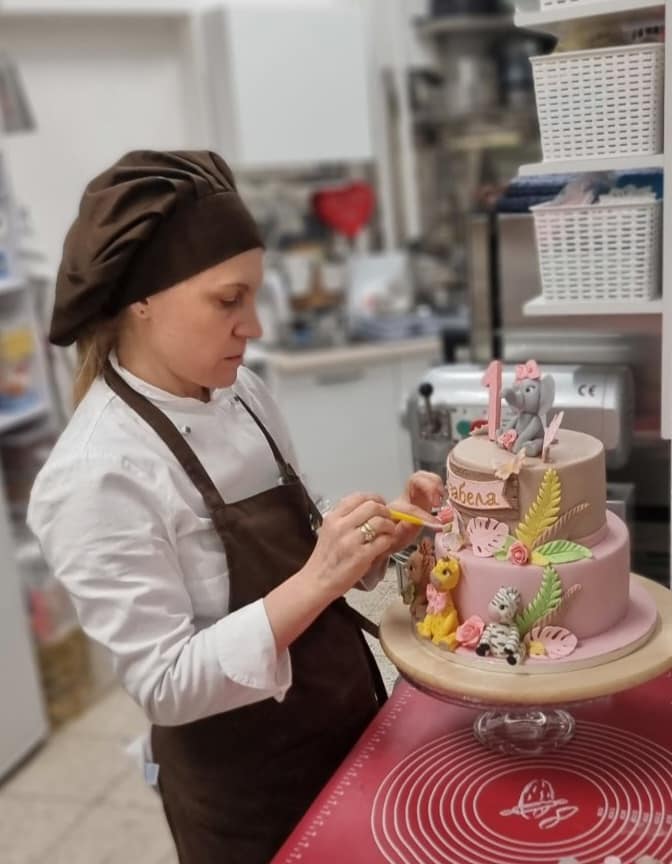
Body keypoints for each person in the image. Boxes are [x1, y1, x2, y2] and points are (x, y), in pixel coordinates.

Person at [27, 150, 443, 864]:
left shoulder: (240, 392)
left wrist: (378, 535)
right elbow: (165, 685)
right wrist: (319, 577)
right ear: (141, 300)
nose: (253, 326)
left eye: (253, 297)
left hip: (345, 723)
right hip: (250, 793)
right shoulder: (96, 475)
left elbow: (301, 532)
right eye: (229, 300)